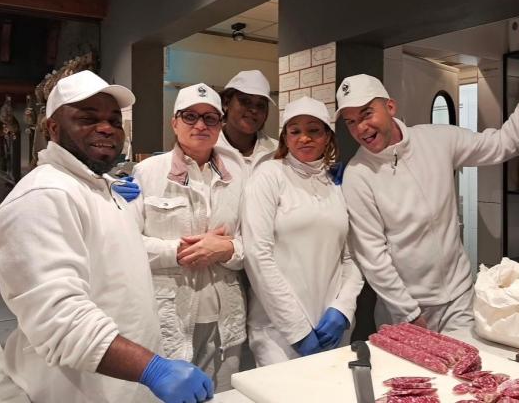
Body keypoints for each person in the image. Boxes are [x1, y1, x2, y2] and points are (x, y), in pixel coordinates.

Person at [0, 70, 213, 403]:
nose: (107, 128)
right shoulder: (43, 196)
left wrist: (180, 248)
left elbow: (119, 256)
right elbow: (60, 319)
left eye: (114, 120)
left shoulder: (102, 188)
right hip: (79, 389)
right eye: (88, 118)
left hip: (126, 384)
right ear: (53, 128)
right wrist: (153, 369)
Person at [337, 54, 519, 334]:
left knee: (466, 361)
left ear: (390, 107)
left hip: (459, 297)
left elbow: (505, 143)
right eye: (350, 121)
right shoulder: (358, 175)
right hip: (404, 309)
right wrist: (408, 313)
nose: (360, 128)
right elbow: (373, 256)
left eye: (367, 114)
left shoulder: (437, 139)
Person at [129, 83, 246, 392]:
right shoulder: (147, 173)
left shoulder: (238, 175)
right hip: (170, 313)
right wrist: (179, 251)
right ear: (174, 122)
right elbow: (127, 244)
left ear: (220, 125)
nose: (200, 125)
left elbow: (255, 241)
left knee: (222, 393)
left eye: (210, 118)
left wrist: (228, 249)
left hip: (225, 314)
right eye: (190, 116)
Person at [241, 96, 364, 366]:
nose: (304, 138)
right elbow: (257, 254)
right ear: (285, 138)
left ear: (327, 137)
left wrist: (343, 309)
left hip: (332, 328)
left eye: (314, 130)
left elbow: (353, 256)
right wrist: (296, 329)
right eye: (295, 131)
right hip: (278, 332)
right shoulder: (268, 176)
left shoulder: (337, 183)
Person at [216, 70, 278, 181]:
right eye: (245, 101)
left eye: (261, 105)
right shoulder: (207, 150)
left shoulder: (277, 152)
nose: (254, 110)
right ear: (226, 103)